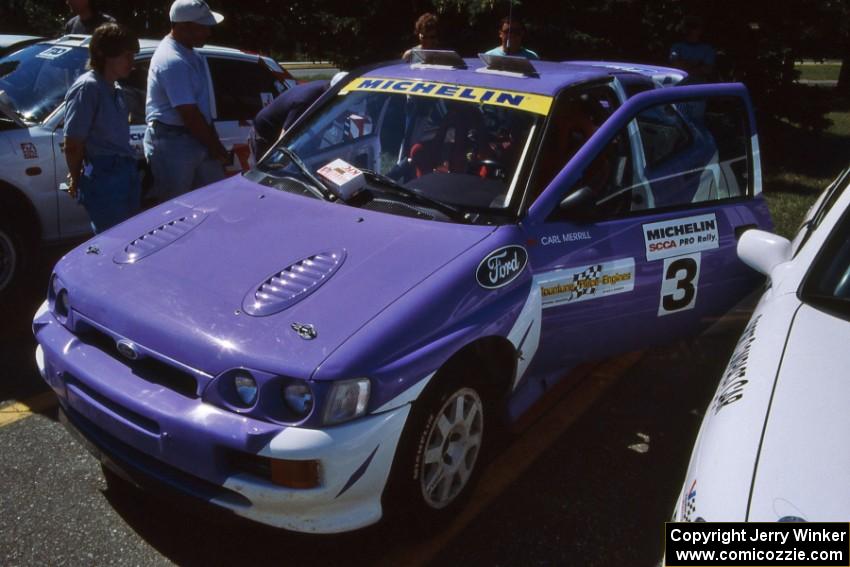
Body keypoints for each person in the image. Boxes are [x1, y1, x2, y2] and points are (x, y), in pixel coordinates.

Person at [144, 0, 227, 202]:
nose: (208, 32)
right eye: (203, 26)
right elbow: (189, 114)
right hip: (174, 142)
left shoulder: (190, 54)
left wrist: (212, 142)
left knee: (213, 201)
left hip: (194, 138)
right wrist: (215, 148)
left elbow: (201, 109)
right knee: (175, 208)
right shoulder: (171, 60)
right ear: (184, 27)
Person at [63, 23, 140, 233]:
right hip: (105, 176)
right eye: (126, 55)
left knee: (130, 236)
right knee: (112, 240)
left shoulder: (116, 89)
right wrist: (76, 177)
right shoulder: (88, 87)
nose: (131, 62)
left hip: (125, 171)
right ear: (105, 54)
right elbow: (73, 143)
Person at [250, 80, 329, 158]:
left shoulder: (327, 85)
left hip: (275, 127)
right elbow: (284, 137)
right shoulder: (305, 101)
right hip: (265, 133)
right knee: (268, 166)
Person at [669, 15, 716, 84]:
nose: (690, 29)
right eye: (688, 26)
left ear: (700, 29)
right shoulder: (676, 47)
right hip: (680, 83)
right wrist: (696, 65)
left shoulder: (707, 49)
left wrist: (685, 64)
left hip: (699, 85)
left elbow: (707, 69)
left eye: (694, 26)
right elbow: (674, 64)